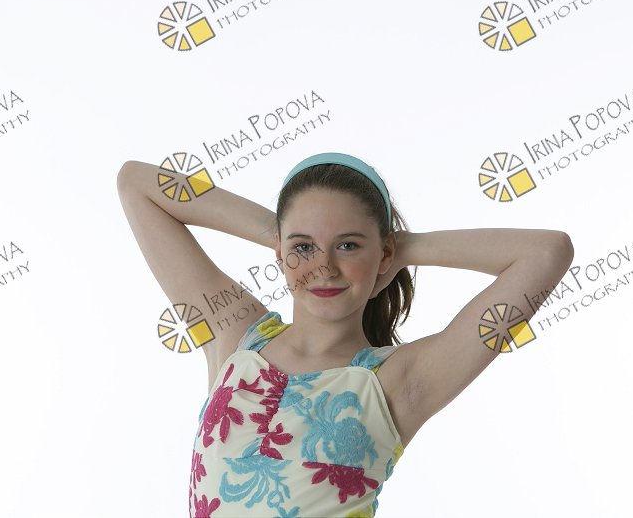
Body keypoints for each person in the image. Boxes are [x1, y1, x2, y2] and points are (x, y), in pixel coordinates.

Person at [117, 152, 574, 517]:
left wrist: (405, 247)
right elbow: (137, 183)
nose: (324, 267)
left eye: (348, 245)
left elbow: (546, 251)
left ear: (384, 253)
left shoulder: (399, 380)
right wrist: (279, 233)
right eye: (304, 247)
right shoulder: (236, 335)